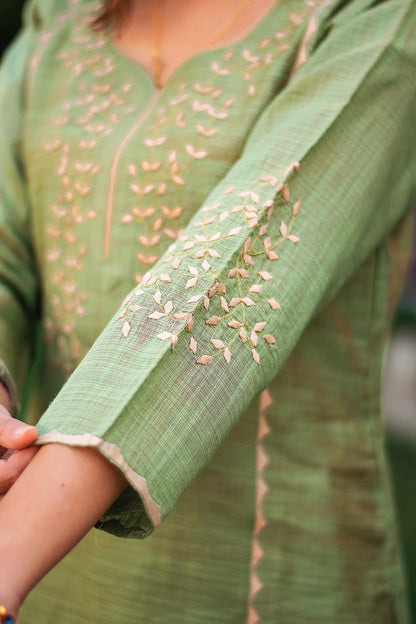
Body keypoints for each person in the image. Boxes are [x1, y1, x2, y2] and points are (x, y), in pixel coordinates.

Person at [0, 0, 415, 622]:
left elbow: (242, 265)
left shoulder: (374, 20)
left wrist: (8, 557)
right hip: (47, 578)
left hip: (263, 574)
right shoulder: (54, 27)